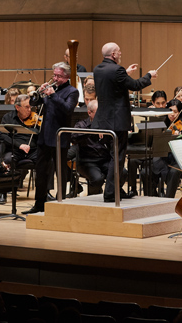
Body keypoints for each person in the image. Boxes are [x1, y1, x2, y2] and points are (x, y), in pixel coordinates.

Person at [92, 42, 156, 203]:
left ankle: (114, 190)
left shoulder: (98, 69)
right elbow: (135, 86)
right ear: (113, 54)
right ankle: (111, 193)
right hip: (117, 120)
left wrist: (125, 72)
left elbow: (112, 82)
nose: (121, 53)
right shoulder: (117, 70)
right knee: (118, 157)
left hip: (102, 120)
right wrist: (149, 75)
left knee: (114, 157)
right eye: (119, 51)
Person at [23, 62, 79, 214]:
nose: (55, 78)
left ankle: (60, 203)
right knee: (41, 172)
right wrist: (38, 93)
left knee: (60, 173)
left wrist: (53, 95)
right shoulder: (49, 89)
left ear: (67, 77)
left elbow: (68, 109)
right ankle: (39, 204)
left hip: (60, 138)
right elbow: (35, 103)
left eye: (58, 76)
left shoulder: (72, 92)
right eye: (54, 75)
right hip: (44, 137)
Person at [70, 100, 111, 197]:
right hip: (87, 162)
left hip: (105, 160)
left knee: (122, 173)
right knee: (97, 179)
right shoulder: (81, 125)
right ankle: (95, 199)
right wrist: (93, 130)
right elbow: (73, 138)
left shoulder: (106, 125)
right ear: (89, 113)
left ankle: (110, 195)